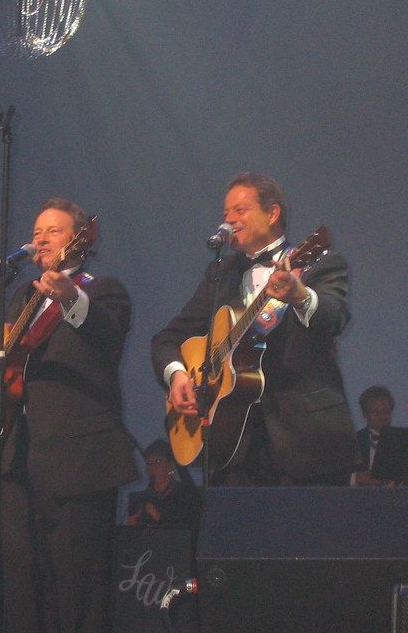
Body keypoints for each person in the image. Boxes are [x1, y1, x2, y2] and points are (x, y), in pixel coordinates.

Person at [0, 198, 137, 633]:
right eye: (37, 231)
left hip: (79, 464)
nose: (40, 238)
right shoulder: (23, 295)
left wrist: (71, 298)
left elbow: (109, 337)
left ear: (79, 241)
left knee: (78, 589)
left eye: (53, 231)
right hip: (20, 461)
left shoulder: (102, 290)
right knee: (21, 586)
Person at [152, 172, 359, 485]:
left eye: (240, 210)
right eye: (225, 214)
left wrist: (299, 295)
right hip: (236, 451)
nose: (229, 220)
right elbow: (168, 338)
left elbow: (335, 317)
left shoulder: (317, 263)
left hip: (308, 445)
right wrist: (178, 375)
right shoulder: (221, 273)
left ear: (272, 213)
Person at [125, 439, 201, 530]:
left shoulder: (185, 494)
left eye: (158, 461)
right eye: (149, 463)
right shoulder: (139, 498)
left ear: (170, 466)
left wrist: (158, 517)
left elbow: (188, 527)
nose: (152, 467)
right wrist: (130, 527)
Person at [351, 385, 395, 486]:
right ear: (364, 414)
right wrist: (357, 478)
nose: (381, 417)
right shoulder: (352, 442)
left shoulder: (403, 443)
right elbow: (335, 477)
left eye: (386, 412)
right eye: (376, 412)